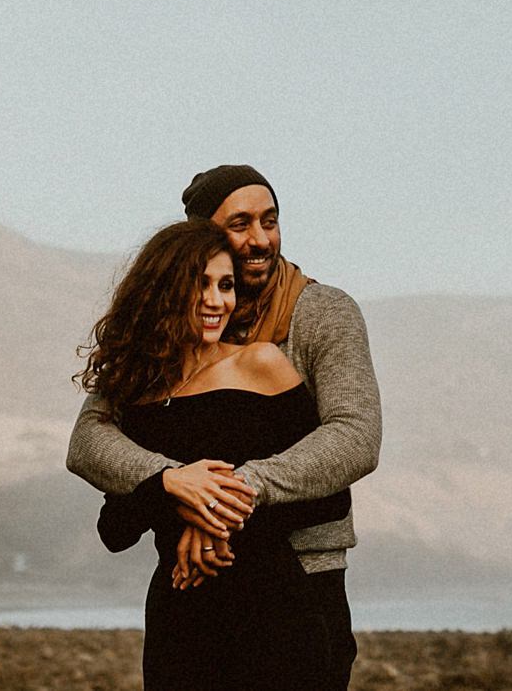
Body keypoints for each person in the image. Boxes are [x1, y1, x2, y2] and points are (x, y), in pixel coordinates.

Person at [69, 166, 381, 691]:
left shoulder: (322, 313)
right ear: (202, 234)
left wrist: (224, 499)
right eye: (241, 224)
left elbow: (355, 436)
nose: (260, 239)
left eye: (270, 220)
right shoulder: (161, 348)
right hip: (188, 589)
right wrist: (176, 481)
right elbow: (91, 439)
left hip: (303, 570)